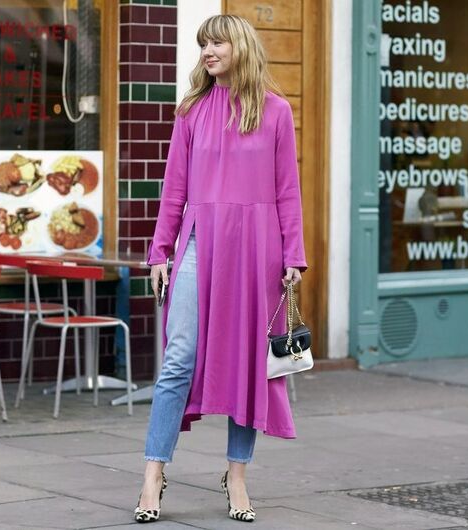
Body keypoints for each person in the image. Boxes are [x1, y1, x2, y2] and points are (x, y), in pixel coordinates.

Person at [135, 14, 307, 524]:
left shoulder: (276, 112)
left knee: (247, 365)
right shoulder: (191, 111)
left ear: (241, 47)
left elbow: (288, 190)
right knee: (178, 359)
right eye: (202, 43)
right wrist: (159, 252)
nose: (207, 51)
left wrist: (293, 255)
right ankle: (153, 471)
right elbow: (174, 190)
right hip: (199, 242)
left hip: (257, 248)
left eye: (217, 42)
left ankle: (236, 474)